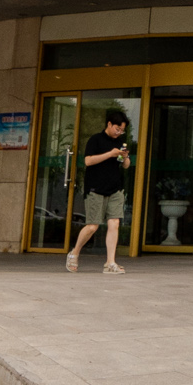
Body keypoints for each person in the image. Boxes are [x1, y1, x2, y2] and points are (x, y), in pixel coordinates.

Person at [68, 111, 132, 273]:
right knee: (92, 226)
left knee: (114, 223)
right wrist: (110, 153)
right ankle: (74, 253)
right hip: (95, 188)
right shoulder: (95, 140)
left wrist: (124, 157)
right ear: (109, 124)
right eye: (117, 129)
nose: (119, 133)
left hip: (115, 188)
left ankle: (110, 262)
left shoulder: (121, 142)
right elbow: (88, 161)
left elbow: (125, 165)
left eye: (122, 130)